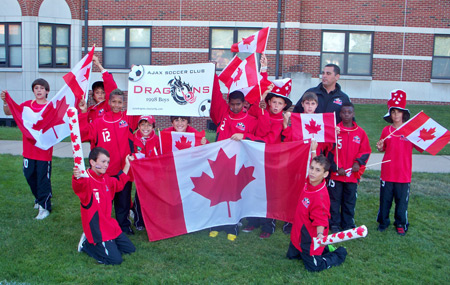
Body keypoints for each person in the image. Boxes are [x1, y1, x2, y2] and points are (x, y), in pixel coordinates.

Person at [208, 74, 268, 241]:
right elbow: (215, 95)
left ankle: (232, 225)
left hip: (239, 164)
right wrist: (213, 74)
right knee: (218, 193)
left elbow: (263, 136)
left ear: (244, 104)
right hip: (220, 163)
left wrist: (246, 136)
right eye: (232, 104)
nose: (235, 107)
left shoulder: (250, 120)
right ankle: (216, 224)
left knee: (234, 195)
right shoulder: (222, 115)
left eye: (238, 104)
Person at [79, 88, 139, 235]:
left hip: (123, 170)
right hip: (104, 172)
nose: (117, 105)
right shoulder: (99, 122)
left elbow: (140, 106)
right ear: (108, 102)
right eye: (114, 102)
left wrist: (137, 81)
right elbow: (84, 133)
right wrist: (83, 113)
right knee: (104, 203)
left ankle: (123, 226)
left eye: (120, 102)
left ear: (124, 104)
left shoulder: (127, 118)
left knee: (123, 201)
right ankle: (102, 226)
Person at [243, 74, 292, 239]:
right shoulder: (262, 111)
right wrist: (263, 94)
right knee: (254, 188)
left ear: (284, 105)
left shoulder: (281, 122)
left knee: (269, 193)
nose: (276, 106)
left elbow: (269, 140)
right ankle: (253, 220)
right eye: (273, 102)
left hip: (272, 161)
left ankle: (268, 225)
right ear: (269, 102)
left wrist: (248, 138)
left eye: (280, 103)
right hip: (255, 158)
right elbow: (252, 105)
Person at [73, 147, 136, 265]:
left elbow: (119, 184)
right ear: (92, 162)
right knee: (115, 260)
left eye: (107, 162)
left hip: (110, 225)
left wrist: (127, 165)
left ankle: (109, 243)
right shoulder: (85, 180)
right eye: (103, 161)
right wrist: (77, 176)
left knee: (130, 250)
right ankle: (86, 244)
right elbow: (78, 186)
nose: (106, 165)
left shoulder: (105, 178)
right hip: (97, 229)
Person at [1, 79, 53, 220]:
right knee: (29, 175)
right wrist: (6, 102)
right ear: (33, 90)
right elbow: (9, 112)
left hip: (43, 151)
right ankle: (39, 198)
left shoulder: (50, 107)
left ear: (47, 91)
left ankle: (45, 207)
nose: (39, 90)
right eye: (36, 88)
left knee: (43, 179)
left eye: (42, 88)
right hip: (29, 150)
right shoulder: (26, 106)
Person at [286, 155, 347, 272]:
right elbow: (314, 162)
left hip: (310, 239)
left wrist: (320, 235)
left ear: (325, 174)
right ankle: (325, 248)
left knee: (314, 267)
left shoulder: (320, 196)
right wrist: (314, 149)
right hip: (298, 233)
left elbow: (321, 219)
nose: (312, 172)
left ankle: (339, 252)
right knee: (291, 257)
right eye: (311, 168)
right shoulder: (309, 182)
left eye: (317, 170)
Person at [376, 89, 422, 236]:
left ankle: (401, 223)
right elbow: (383, 148)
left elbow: (421, 146)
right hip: (388, 172)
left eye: (399, 112)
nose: (396, 115)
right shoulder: (386, 130)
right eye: (393, 112)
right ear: (390, 115)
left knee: (401, 202)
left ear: (404, 114)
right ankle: (383, 222)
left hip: (403, 173)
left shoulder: (410, 131)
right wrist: (380, 146)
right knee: (385, 200)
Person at [327, 102, 371, 233]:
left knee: (349, 200)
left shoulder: (360, 133)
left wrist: (357, 163)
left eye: (349, 112)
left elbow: (365, 151)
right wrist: (336, 168)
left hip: (351, 176)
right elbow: (329, 151)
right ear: (340, 114)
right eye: (344, 112)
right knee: (334, 201)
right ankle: (334, 223)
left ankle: (347, 223)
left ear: (353, 114)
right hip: (336, 175)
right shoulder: (335, 131)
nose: (346, 115)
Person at [131, 115, 160, 230]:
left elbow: (160, 155)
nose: (145, 127)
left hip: (153, 174)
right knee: (139, 198)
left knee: (152, 199)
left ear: (153, 126)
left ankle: (152, 221)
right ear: (138, 126)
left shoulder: (157, 139)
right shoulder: (134, 138)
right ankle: (139, 221)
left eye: (149, 124)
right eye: (142, 124)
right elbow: (130, 152)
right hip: (139, 175)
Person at [85, 56, 117, 123]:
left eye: (103, 92)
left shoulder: (109, 105)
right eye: (97, 92)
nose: (100, 95)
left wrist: (98, 65)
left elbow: (110, 85)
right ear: (93, 95)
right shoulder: (89, 110)